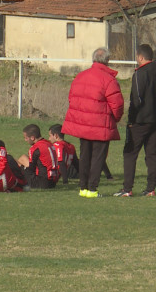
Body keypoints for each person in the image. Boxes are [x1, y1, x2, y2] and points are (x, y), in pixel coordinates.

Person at [62, 47, 124, 198]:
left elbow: (72, 98)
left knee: (84, 156)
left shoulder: (80, 76)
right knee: (98, 158)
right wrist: (114, 118)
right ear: (107, 61)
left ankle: (83, 188)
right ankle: (92, 188)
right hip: (101, 124)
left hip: (83, 124)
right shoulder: (109, 80)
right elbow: (117, 104)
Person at [115, 44, 156, 197]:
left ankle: (127, 189)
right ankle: (151, 188)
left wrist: (131, 119)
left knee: (130, 153)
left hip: (140, 121)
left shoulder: (140, 74)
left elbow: (137, 99)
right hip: (154, 121)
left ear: (140, 57)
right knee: (152, 154)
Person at [17, 124, 59, 189]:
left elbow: (31, 169)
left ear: (32, 138)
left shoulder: (35, 148)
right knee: (23, 158)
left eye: (26, 138)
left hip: (42, 182)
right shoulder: (49, 144)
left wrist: (21, 166)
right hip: (53, 182)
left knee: (14, 161)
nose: (25, 140)